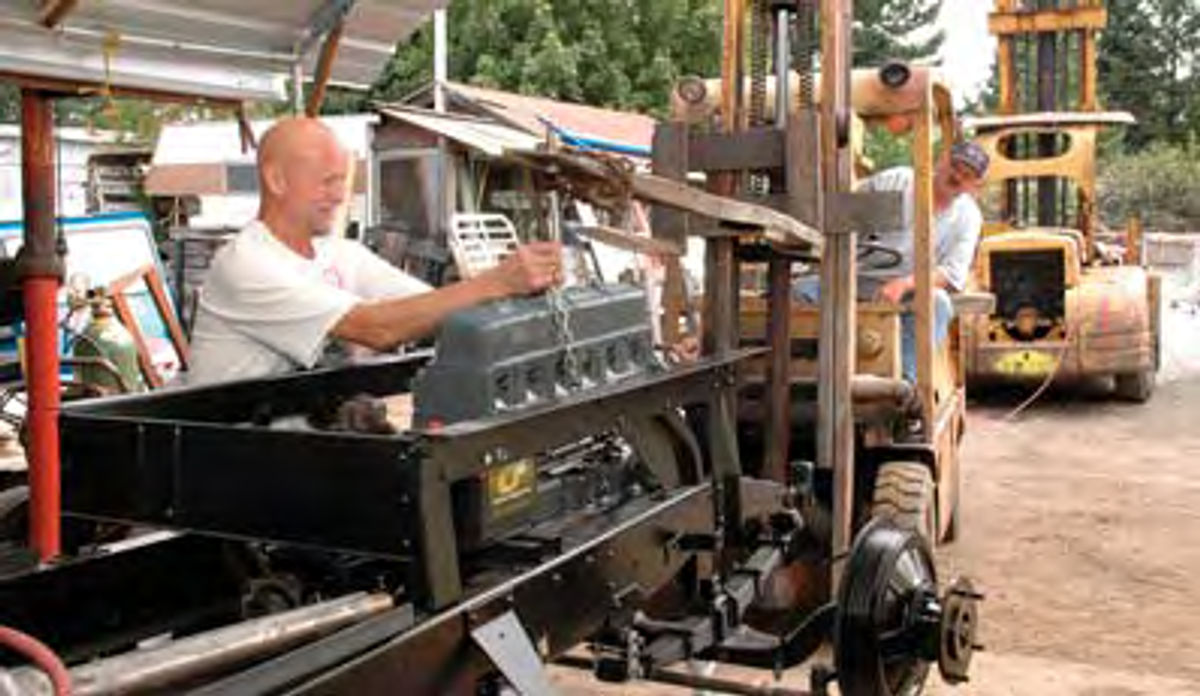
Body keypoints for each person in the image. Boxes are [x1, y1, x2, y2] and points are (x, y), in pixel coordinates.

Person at [187, 118, 563, 384]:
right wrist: (495, 282)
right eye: (327, 181)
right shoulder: (245, 265)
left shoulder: (341, 253)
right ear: (276, 179)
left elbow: (432, 307)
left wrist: (519, 289)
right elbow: (375, 328)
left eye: (341, 181)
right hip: (231, 450)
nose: (339, 196)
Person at [794, 140, 990, 382]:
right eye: (955, 165)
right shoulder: (896, 181)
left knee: (939, 303)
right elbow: (844, 213)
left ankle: (903, 384)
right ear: (942, 159)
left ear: (974, 184)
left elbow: (951, 274)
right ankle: (806, 374)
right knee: (798, 292)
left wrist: (904, 284)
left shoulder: (968, 216)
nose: (957, 176)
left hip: (909, 293)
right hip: (856, 278)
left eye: (967, 174)